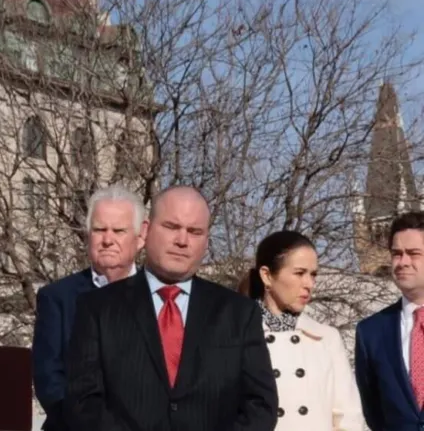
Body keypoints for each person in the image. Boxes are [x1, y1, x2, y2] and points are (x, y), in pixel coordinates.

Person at [64, 185, 278, 431]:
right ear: (146, 230)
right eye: (172, 227)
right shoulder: (97, 308)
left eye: (194, 231)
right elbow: (83, 402)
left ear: (206, 240)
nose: (182, 240)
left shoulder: (239, 313)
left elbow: (261, 405)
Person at [32, 184, 146, 430]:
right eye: (99, 230)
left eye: (118, 230)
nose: (108, 240)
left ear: (140, 237)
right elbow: (49, 379)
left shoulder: (160, 298)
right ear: (87, 236)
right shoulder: (57, 298)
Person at [238, 231, 363, 431]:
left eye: (313, 274)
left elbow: (349, 418)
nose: (309, 284)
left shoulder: (326, 339)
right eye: (299, 273)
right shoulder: (237, 336)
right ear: (267, 276)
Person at [355, 211, 424, 431]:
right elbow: (373, 411)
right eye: (396, 253)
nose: (402, 262)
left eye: (413, 253)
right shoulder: (370, 333)